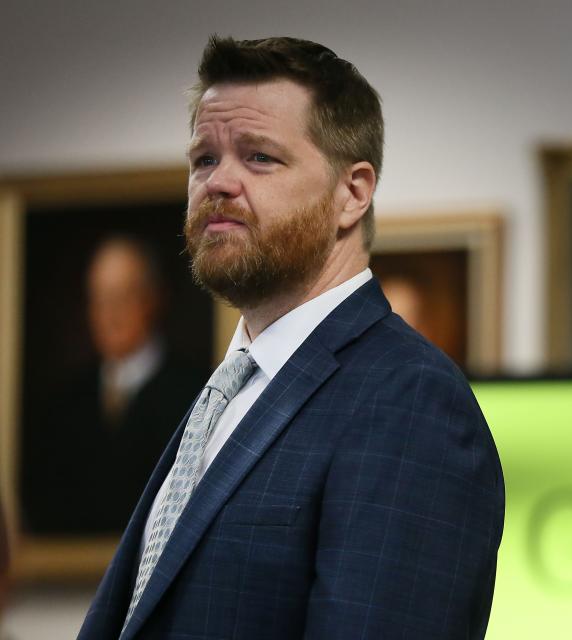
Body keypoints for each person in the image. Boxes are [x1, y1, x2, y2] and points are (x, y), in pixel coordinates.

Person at [80, 36, 504, 639]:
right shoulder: (226, 387)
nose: (218, 183)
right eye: (204, 159)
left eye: (258, 158)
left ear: (351, 193)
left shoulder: (408, 400)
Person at [21, 237, 206, 534]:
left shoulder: (193, 393)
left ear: (151, 299)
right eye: (100, 299)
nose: (110, 314)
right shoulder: (65, 404)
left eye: (123, 297)